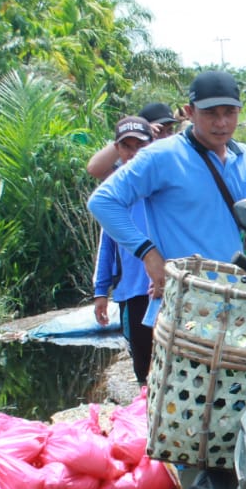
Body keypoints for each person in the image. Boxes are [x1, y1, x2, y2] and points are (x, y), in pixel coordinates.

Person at [88, 70, 246, 326]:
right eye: (210, 113)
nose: (221, 122)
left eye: (229, 112)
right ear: (190, 111)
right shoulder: (162, 156)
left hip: (239, 305)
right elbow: (102, 201)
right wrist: (148, 254)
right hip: (185, 309)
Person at [92, 117, 156, 383]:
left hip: (165, 285)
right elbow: (107, 244)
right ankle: (146, 417)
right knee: (142, 363)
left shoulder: (161, 183)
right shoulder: (116, 191)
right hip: (133, 290)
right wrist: (100, 291)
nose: (133, 153)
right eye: (126, 147)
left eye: (140, 146)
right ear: (118, 150)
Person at [86, 101, 180, 181]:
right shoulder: (131, 164)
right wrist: (132, 133)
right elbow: (94, 169)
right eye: (159, 131)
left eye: (170, 130)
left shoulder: (179, 158)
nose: (165, 137)